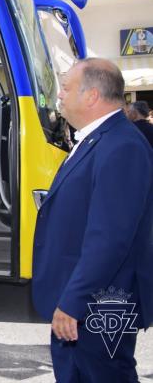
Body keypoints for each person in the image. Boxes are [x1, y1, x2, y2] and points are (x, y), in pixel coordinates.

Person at [32, 58, 153, 382]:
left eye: (67, 88)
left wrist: (73, 303)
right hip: (86, 302)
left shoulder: (122, 146)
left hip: (100, 305)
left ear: (92, 96)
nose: (59, 96)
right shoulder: (99, 138)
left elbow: (110, 239)